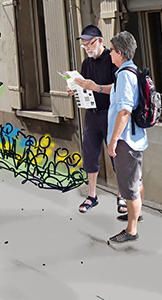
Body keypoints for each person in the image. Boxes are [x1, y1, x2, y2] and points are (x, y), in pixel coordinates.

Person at [105, 31, 146, 244]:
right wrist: (93, 86)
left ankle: (131, 230)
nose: (109, 53)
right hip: (135, 137)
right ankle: (136, 215)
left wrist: (113, 141)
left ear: (120, 52)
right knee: (136, 180)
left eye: (111, 50)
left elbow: (124, 111)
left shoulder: (123, 75)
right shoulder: (132, 70)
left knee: (129, 188)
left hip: (126, 140)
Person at [69, 25, 115, 214]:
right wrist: (75, 89)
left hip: (111, 114)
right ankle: (92, 195)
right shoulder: (86, 63)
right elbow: (85, 87)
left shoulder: (113, 59)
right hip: (91, 115)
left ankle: (122, 196)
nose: (87, 48)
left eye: (90, 44)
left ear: (100, 41)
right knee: (89, 156)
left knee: (116, 156)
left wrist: (96, 87)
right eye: (84, 45)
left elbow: (120, 88)